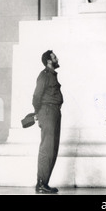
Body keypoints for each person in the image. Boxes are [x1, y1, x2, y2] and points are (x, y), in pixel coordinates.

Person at [32, 50, 63, 194]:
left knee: (53, 149)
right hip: (48, 112)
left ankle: (44, 183)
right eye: (54, 57)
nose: (57, 58)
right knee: (47, 149)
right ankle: (40, 183)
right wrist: (39, 112)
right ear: (49, 61)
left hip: (54, 112)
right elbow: (36, 96)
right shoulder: (43, 75)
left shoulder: (52, 75)